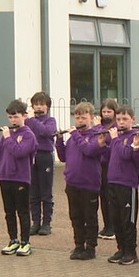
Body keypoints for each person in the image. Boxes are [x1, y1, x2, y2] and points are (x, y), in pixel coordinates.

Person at [0, 99, 37, 256]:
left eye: (15, 117)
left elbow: (19, 152)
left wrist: (8, 137)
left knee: (22, 211)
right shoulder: (7, 136)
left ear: (24, 116)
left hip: (21, 179)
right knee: (9, 211)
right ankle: (13, 240)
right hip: (5, 177)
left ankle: (25, 242)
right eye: (10, 117)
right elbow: (0, 156)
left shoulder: (28, 135)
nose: (12, 120)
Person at [56, 101, 103, 260]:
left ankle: (91, 248)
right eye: (77, 118)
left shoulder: (95, 136)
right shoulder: (72, 139)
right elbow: (63, 157)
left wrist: (75, 134)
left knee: (89, 216)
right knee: (75, 216)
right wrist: (59, 140)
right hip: (72, 182)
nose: (80, 121)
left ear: (91, 118)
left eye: (83, 118)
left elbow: (89, 151)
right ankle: (78, 245)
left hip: (89, 184)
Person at [102, 105, 139, 265]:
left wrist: (114, 140)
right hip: (112, 181)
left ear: (132, 120)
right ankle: (121, 249)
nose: (121, 122)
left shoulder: (135, 136)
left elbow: (126, 154)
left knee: (128, 220)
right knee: (116, 218)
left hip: (127, 184)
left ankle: (131, 252)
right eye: (118, 119)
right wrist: (102, 144)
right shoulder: (116, 137)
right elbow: (108, 156)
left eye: (124, 119)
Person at [25, 91, 57, 236]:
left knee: (46, 192)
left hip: (45, 156)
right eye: (36, 104)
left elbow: (45, 132)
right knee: (33, 192)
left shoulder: (50, 121)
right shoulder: (28, 121)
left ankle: (46, 223)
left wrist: (31, 121)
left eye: (42, 104)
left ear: (47, 107)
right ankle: (35, 222)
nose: (39, 107)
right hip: (31, 157)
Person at [95, 98, 118, 240]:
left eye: (109, 111)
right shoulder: (101, 125)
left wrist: (98, 127)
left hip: (110, 164)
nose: (106, 114)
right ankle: (106, 225)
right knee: (102, 195)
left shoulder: (115, 126)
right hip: (100, 165)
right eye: (104, 111)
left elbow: (105, 139)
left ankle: (113, 226)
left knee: (110, 196)